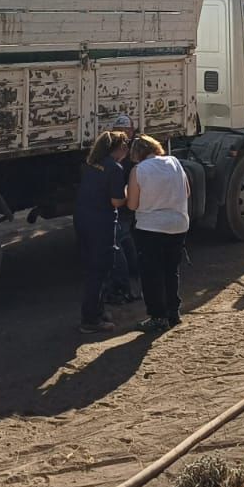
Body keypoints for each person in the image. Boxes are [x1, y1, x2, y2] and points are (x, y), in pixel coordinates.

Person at [127, 135, 191, 332]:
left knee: (152, 274)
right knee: (171, 271)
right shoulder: (175, 162)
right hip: (178, 224)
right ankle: (173, 312)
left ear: (136, 153)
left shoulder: (139, 170)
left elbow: (132, 204)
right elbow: (187, 191)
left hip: (151, 227)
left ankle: (157, 316)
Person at [76, 130, 130, 333]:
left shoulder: (91, 164)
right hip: (102, 223)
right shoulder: (114, 168)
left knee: (91, 268)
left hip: (83, 220)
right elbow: (116, 201)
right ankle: (90, 320)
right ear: (120, 148)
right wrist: (129, 192)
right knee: (100, 270)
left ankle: (97, 311)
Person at [103, 113, 142, 306]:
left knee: (119, 242)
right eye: (119, 131)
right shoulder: (129, 151)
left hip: (125, 203)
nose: (123, 134)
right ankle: (133, 277)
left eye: (125, 130)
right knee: (125, 240)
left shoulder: (127, 154)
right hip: (125, 202)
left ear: (132, 131)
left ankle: (123, 285)